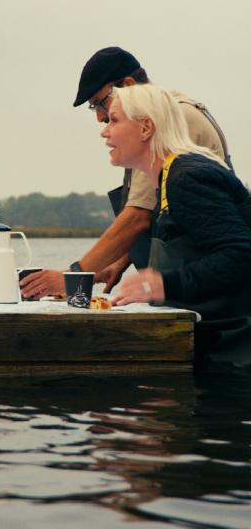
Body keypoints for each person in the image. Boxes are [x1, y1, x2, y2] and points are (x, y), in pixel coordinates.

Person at [20, 47, 229, 300]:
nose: (100, 120)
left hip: (210, 299)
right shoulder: (162, 114)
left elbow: (138, 216)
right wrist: (121, 260)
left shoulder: (167, 118)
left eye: (101, 103)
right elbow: (173, 213)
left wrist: (73, 277)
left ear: (128, 85)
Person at [105, 84, 251, 365]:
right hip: (216, 341)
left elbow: (241, 253)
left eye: (113, 119)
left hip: (236, 352)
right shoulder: (171, 175)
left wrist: (163, 284)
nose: (104, 130)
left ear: (146, 128)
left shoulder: (187, 178)